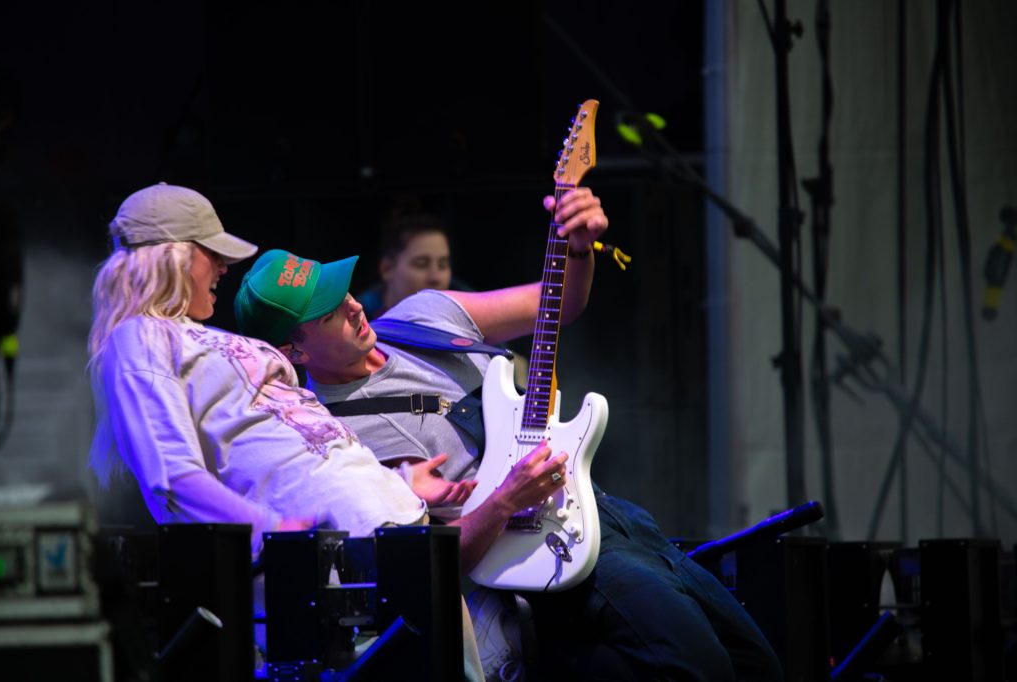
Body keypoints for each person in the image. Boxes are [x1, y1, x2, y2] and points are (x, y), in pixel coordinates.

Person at [234, 187, 785, 682]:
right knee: (701, 668)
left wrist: (578, 245)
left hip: (611, 514)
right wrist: (503, 501)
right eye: (330, 311)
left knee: (758, 665)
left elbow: (558, 302)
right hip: (546, 552)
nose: (354, 304)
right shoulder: (333, 441)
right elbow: (425, 572)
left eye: (344, 289)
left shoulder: (421, 317)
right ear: (294, 353)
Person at [86, 183, 572, 680]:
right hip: (344, 578)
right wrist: (274, 531)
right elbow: (171, 478)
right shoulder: (139, 338)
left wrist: (399, 482)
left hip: (398, 545)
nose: (223, 268)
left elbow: (290, 445)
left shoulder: (201, 338)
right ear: (174, 258)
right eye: (213, 255)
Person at [356, 212, 458, 320]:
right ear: (387, 269)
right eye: (421, 264)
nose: (435, 277)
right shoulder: (355, 319)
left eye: (443, 265)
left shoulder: (468, 314)